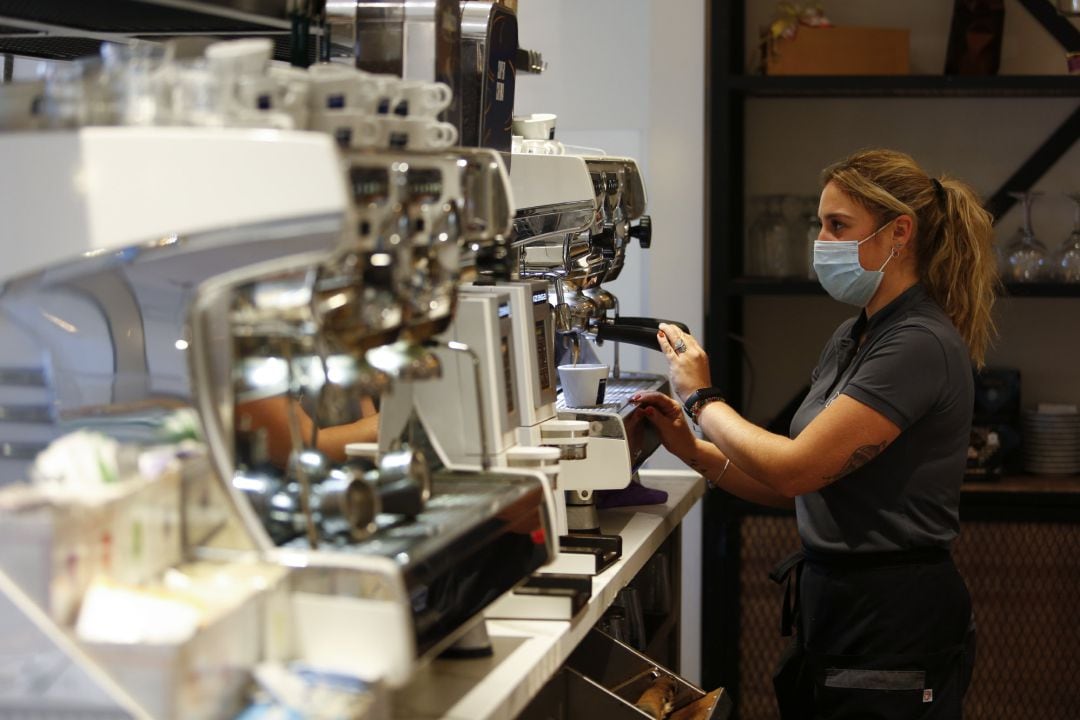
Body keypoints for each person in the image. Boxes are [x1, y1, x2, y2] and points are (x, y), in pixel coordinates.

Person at [633, 149, 996, 719]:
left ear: (899, 232)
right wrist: (694, 451)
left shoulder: (917, 342)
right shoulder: (854, 337)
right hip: (839, 606)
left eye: (838, 225)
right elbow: (801, 487)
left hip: (892, 616)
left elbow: (796, 467)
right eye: (819, 224)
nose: (821, 240)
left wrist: (701, 398)